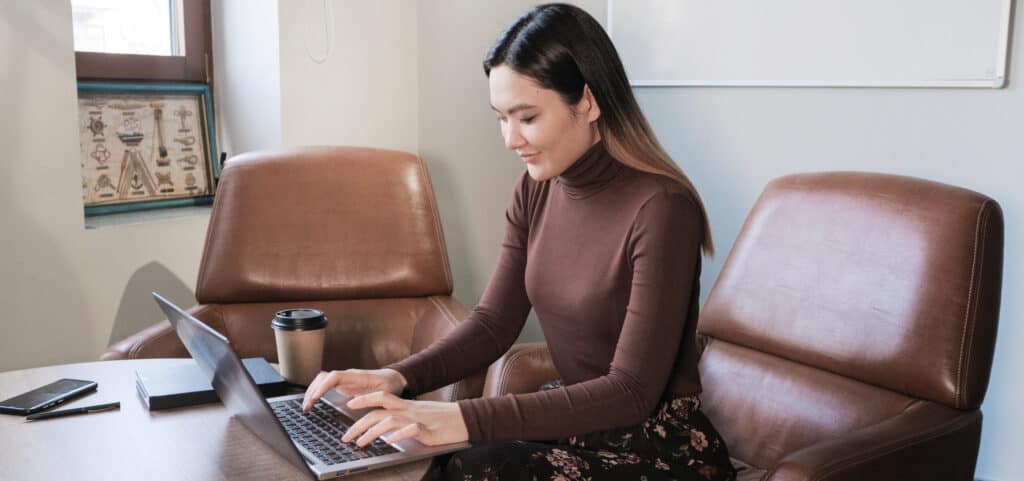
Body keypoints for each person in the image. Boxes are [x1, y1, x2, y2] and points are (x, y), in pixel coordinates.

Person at [302, 3, 736, 480]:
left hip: (659, 448)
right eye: (501, 118)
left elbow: (631, 390)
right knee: (415, 453)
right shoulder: (536, 189)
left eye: (526, 117)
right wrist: (398, 377)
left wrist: (464, 418)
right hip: (581, 424)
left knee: (475, 463)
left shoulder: (663, 208)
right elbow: (493, 324)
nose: (510, 138)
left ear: (588, 103)